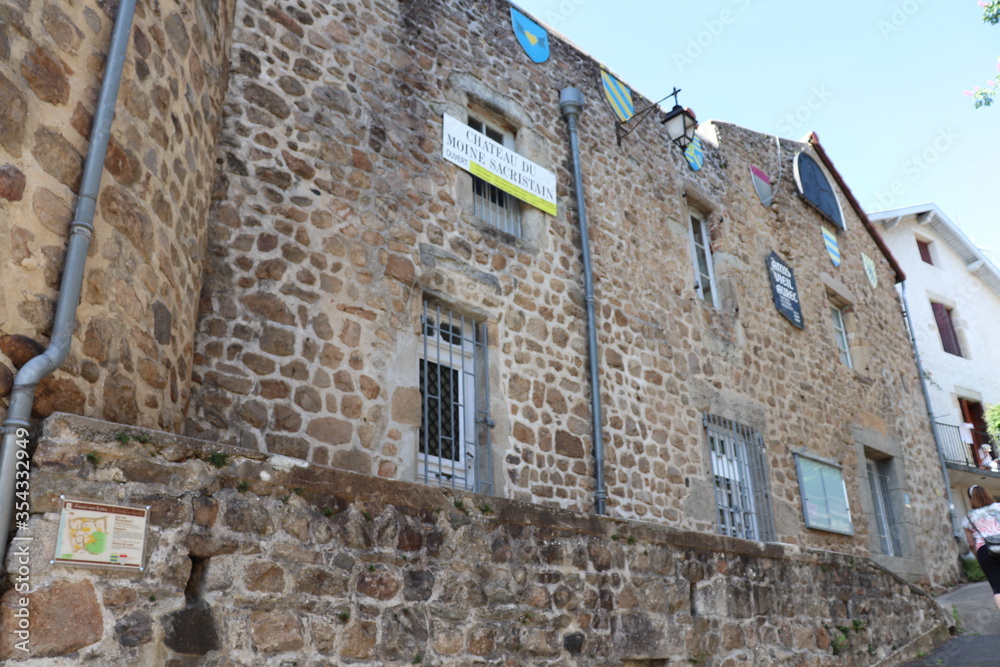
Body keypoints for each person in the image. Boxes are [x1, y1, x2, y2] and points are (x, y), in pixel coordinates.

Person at [964, 484, 1000, 612]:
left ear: (971, 499)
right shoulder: (999, 507)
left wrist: (979, 556)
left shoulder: (969, 518)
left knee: (997, 588)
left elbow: (972, 544)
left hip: (986, 551)